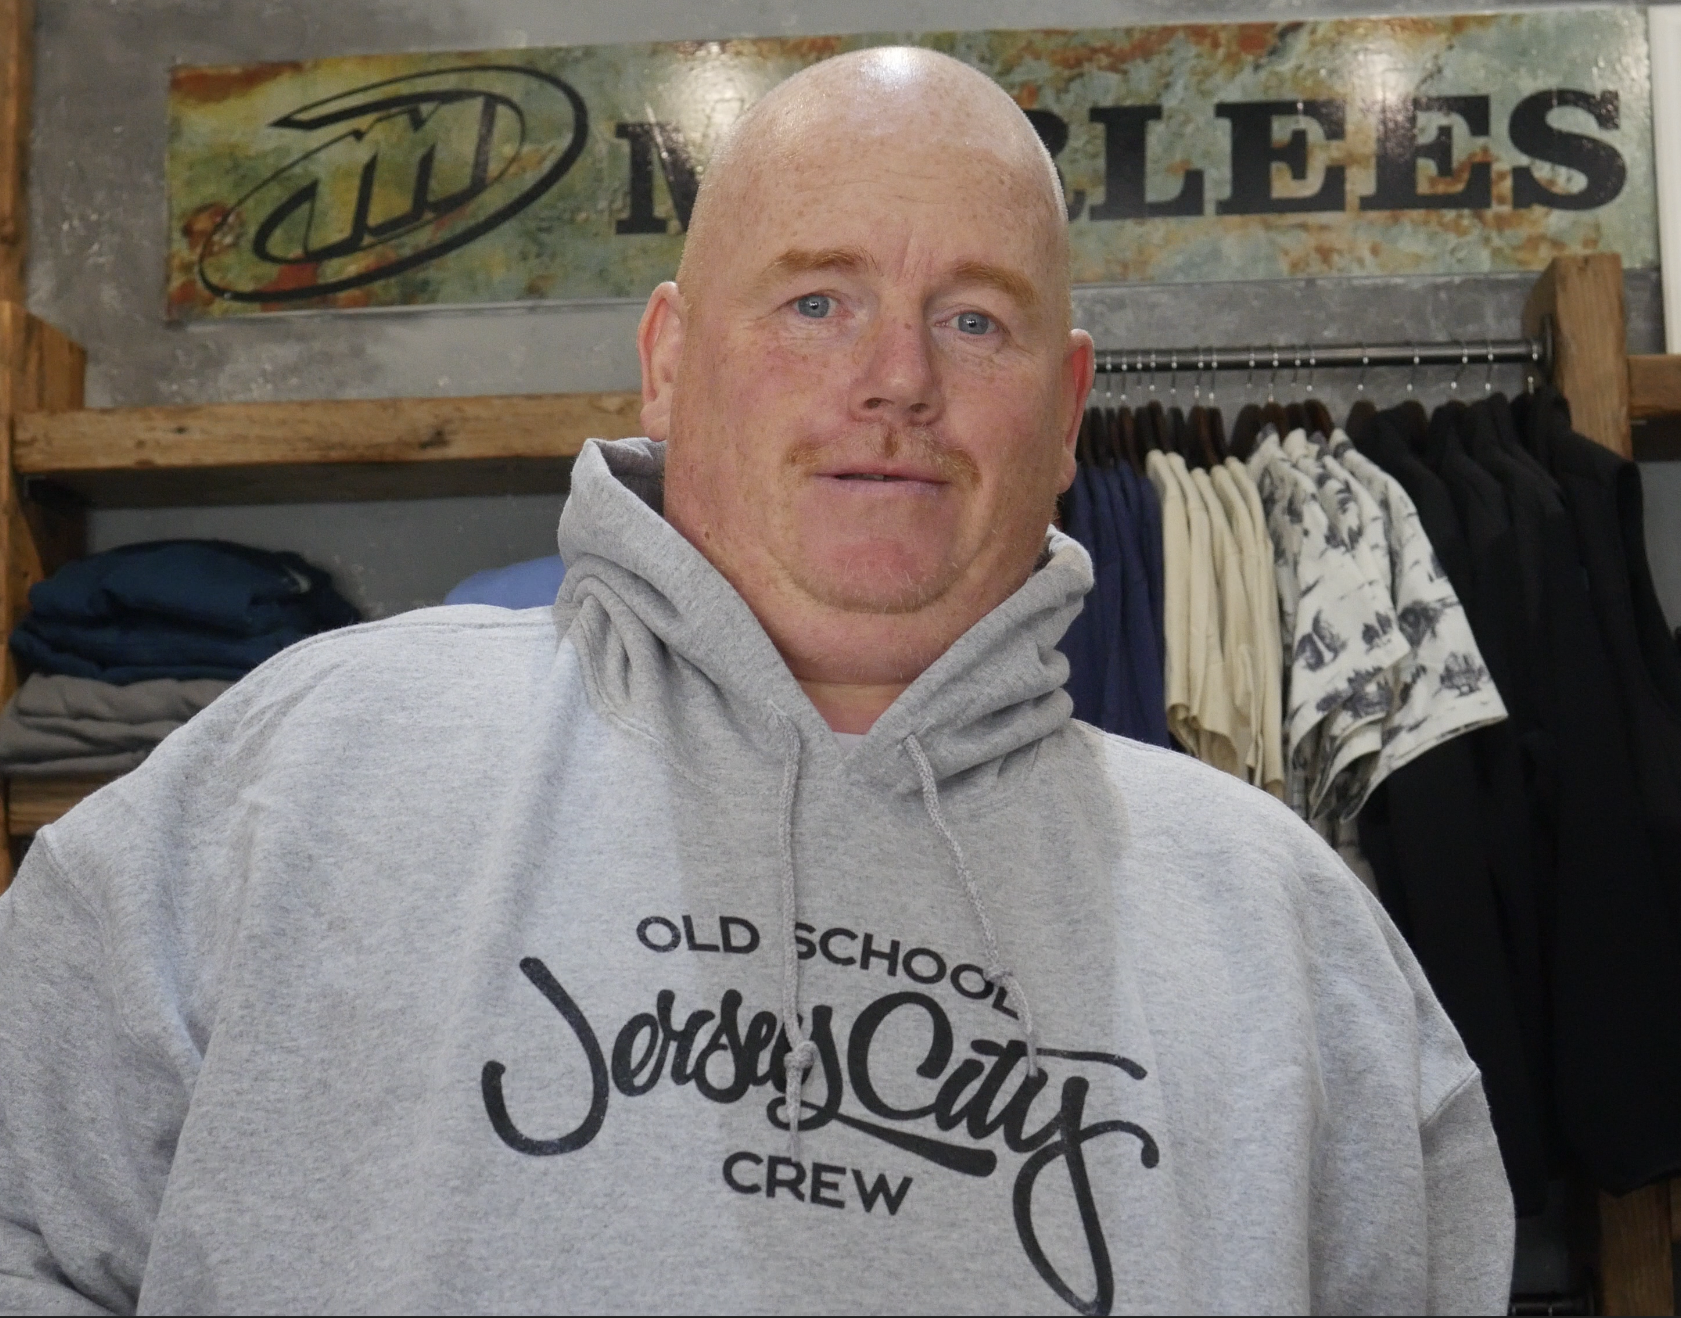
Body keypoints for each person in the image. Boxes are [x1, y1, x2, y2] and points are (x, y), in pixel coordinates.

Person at [0, 47, 1512, 1315]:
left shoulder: (1287, 929)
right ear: (667, 362)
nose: (898, 377)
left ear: (1065, 414)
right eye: (815, 302)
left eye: (974, 319)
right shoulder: (311, 767)